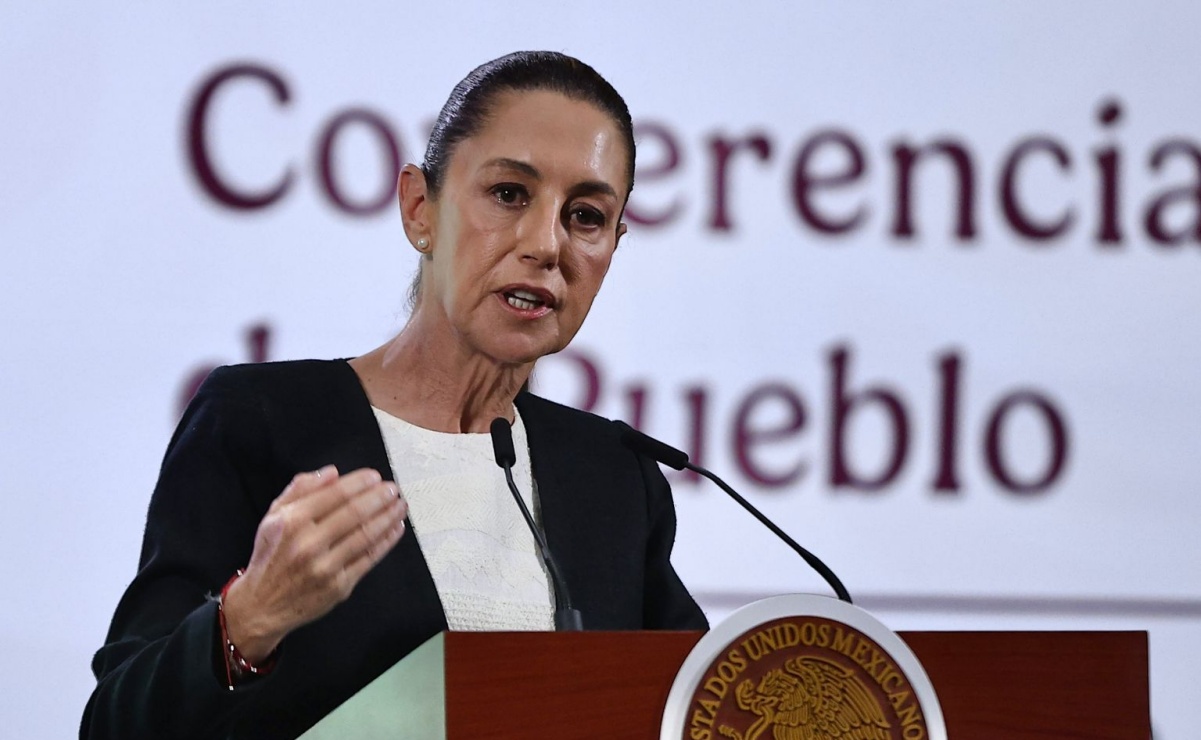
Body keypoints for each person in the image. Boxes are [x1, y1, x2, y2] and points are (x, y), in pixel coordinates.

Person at [81, 51, 707, 740]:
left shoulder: (614, 478)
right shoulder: (261, 420)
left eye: (585, 215)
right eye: (508, 194)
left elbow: (701, 705)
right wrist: (248, 619)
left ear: (614, 244)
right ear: (419, 208)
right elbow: (116, 725)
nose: (545, 244)